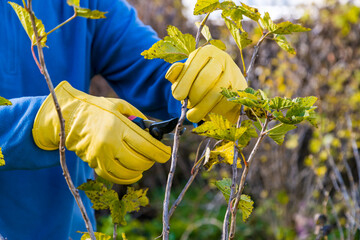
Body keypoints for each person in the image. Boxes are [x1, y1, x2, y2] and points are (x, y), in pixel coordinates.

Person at [0, 0, 247, 239]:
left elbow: (149, 66)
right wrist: (39, 122)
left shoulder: (84, 4)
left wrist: (201, 84)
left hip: (69, 231)